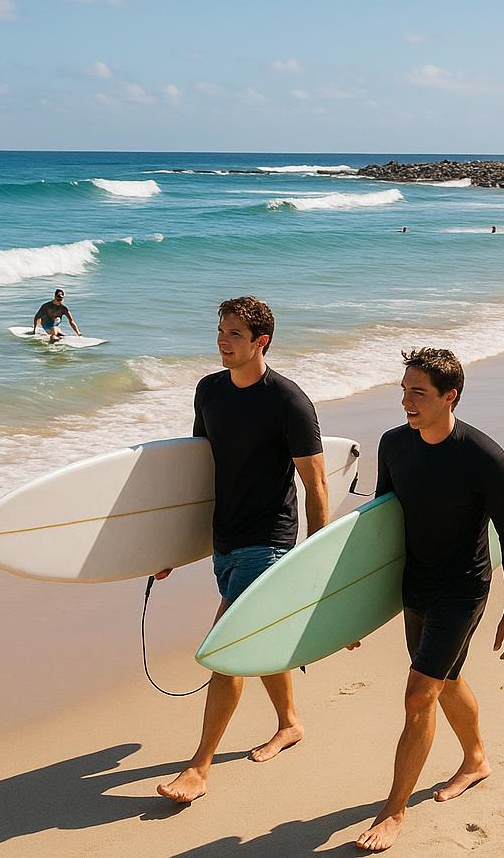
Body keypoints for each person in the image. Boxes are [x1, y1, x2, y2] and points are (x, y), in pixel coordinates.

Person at [156, 297, 328, 804]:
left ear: (261, 342)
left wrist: (315, 560)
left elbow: (315, 483)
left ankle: (199, 767)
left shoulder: (287, 401)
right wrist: (174, 546)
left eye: (234, 334)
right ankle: (290, 723)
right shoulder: (209, 392)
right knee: (257, 638)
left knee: (228, 647)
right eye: (221, 331)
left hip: (269, 542)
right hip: (225, 541)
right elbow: (198, 475)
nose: (222, 341)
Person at [356, 349, 504, 851]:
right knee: (445, 680)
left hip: (463, 588)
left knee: (418, 695)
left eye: (418, 393)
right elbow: (381, 526)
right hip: (417, 585)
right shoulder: (393, 446)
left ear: (449, 396)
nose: (406, 401)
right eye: (404, 390)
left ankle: (393, 811)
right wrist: (355, 613)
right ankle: (476, 759)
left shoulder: (482, 456)